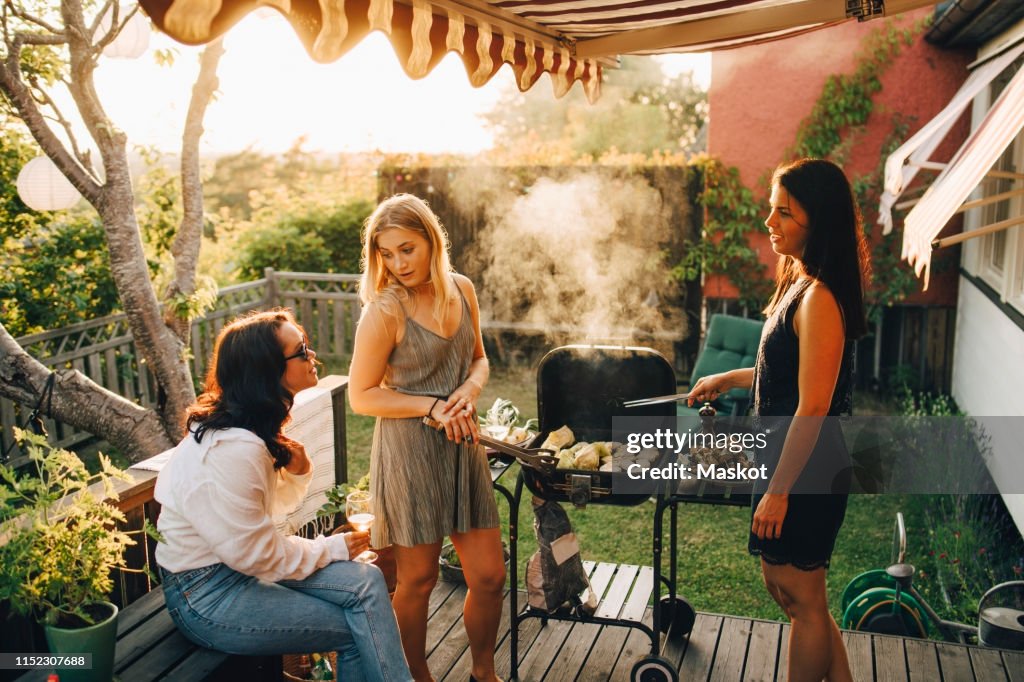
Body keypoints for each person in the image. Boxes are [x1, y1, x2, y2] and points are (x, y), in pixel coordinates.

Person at [154, 310, 411, 682]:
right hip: (205, 594)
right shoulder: (233, 449)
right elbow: (258, 555)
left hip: (234, 567)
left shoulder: (247, 433)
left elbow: (266, 513)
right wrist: (332, 548)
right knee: (357, 629)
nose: (313, 356)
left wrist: (301, 468)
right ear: (268, 370)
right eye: (301, 350)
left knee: (367, 581)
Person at [689, 158, 868, 682]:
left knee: (800, 598)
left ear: (820, 222)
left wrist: (780, 491)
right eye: (771, 209)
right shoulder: (801, 283)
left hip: (806, 467)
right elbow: (785, 372)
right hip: (789, 458)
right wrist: (729, 379)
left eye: (783, 213)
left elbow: (814, 405)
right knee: (798, 594)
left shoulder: (821, 299)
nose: (770, 221)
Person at [348, 193, 505, 682]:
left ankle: (483, 672)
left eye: (407, 249)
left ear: (432, 241)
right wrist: (432, 405)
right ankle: (415, 675)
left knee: (490, 576)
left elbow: (479, 357)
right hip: (408, 451)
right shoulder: (385, 311)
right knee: (417, 578)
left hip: (462, 447)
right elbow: (362, 396)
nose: (397, 263)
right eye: (386, 253)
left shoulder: (462, 288)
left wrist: (468, 389)